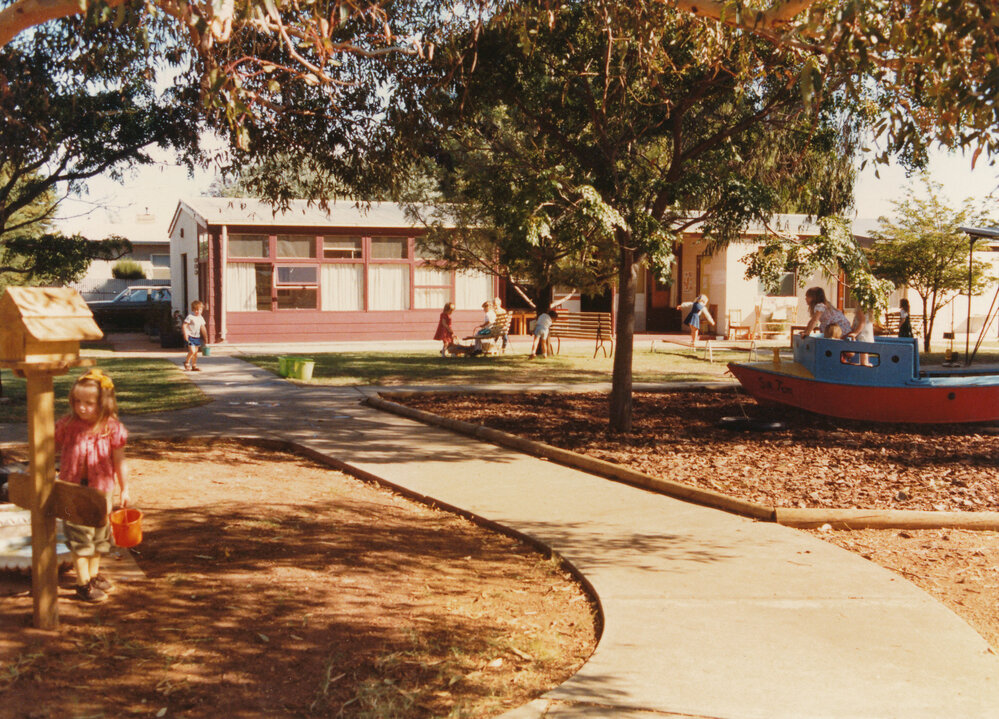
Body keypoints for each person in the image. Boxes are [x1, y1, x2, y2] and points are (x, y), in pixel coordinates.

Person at [55, 369, 129, 604]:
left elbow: (119, 460)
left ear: (104, 403)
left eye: (89, 403)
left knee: (99, 534)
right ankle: (82, 583)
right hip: (72, 491)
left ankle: (94, 574)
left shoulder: (111, 428)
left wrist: (125, 488)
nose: (82, 407)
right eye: (77, 402)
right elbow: (46, 447)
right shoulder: (67, 425)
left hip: (101, 489)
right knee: (79, 537)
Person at [183, 300, 207, 371]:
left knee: (196, 353)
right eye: (196, 310)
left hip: (197, 337)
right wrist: (185, 333)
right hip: (190, 336)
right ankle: (186, 362)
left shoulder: (201, 318)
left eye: (199, 310)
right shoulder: (190, 317)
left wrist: (205, 337)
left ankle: (194, 365)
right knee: (192, 351)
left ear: (202, 310)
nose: (198, 311)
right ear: (193, 309)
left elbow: (203, 327)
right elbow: (184, 325)